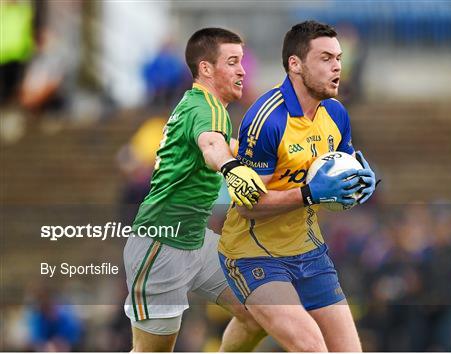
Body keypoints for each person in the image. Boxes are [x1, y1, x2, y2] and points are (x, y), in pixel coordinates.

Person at [218, 21, 377, 352]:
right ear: (295, 64)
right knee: (311, 347)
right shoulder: (267, 120)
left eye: (339, 57)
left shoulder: (335, 113)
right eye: (325, 58)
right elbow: (249, 206)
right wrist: (309, 194)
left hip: (310, 253)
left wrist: (361, 183)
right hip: (253, 254)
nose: (337, 66)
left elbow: (339, 176)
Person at [123, 27, 267, 352]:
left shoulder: (198, 104)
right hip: (161, 246)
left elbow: (223, 141)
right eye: (232, 62)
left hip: (193, 240)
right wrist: (230, 167)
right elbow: (212, 145)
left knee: (260, 311)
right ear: (206, 68)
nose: (242, 70)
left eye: (242, 61)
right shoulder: (208, 110)